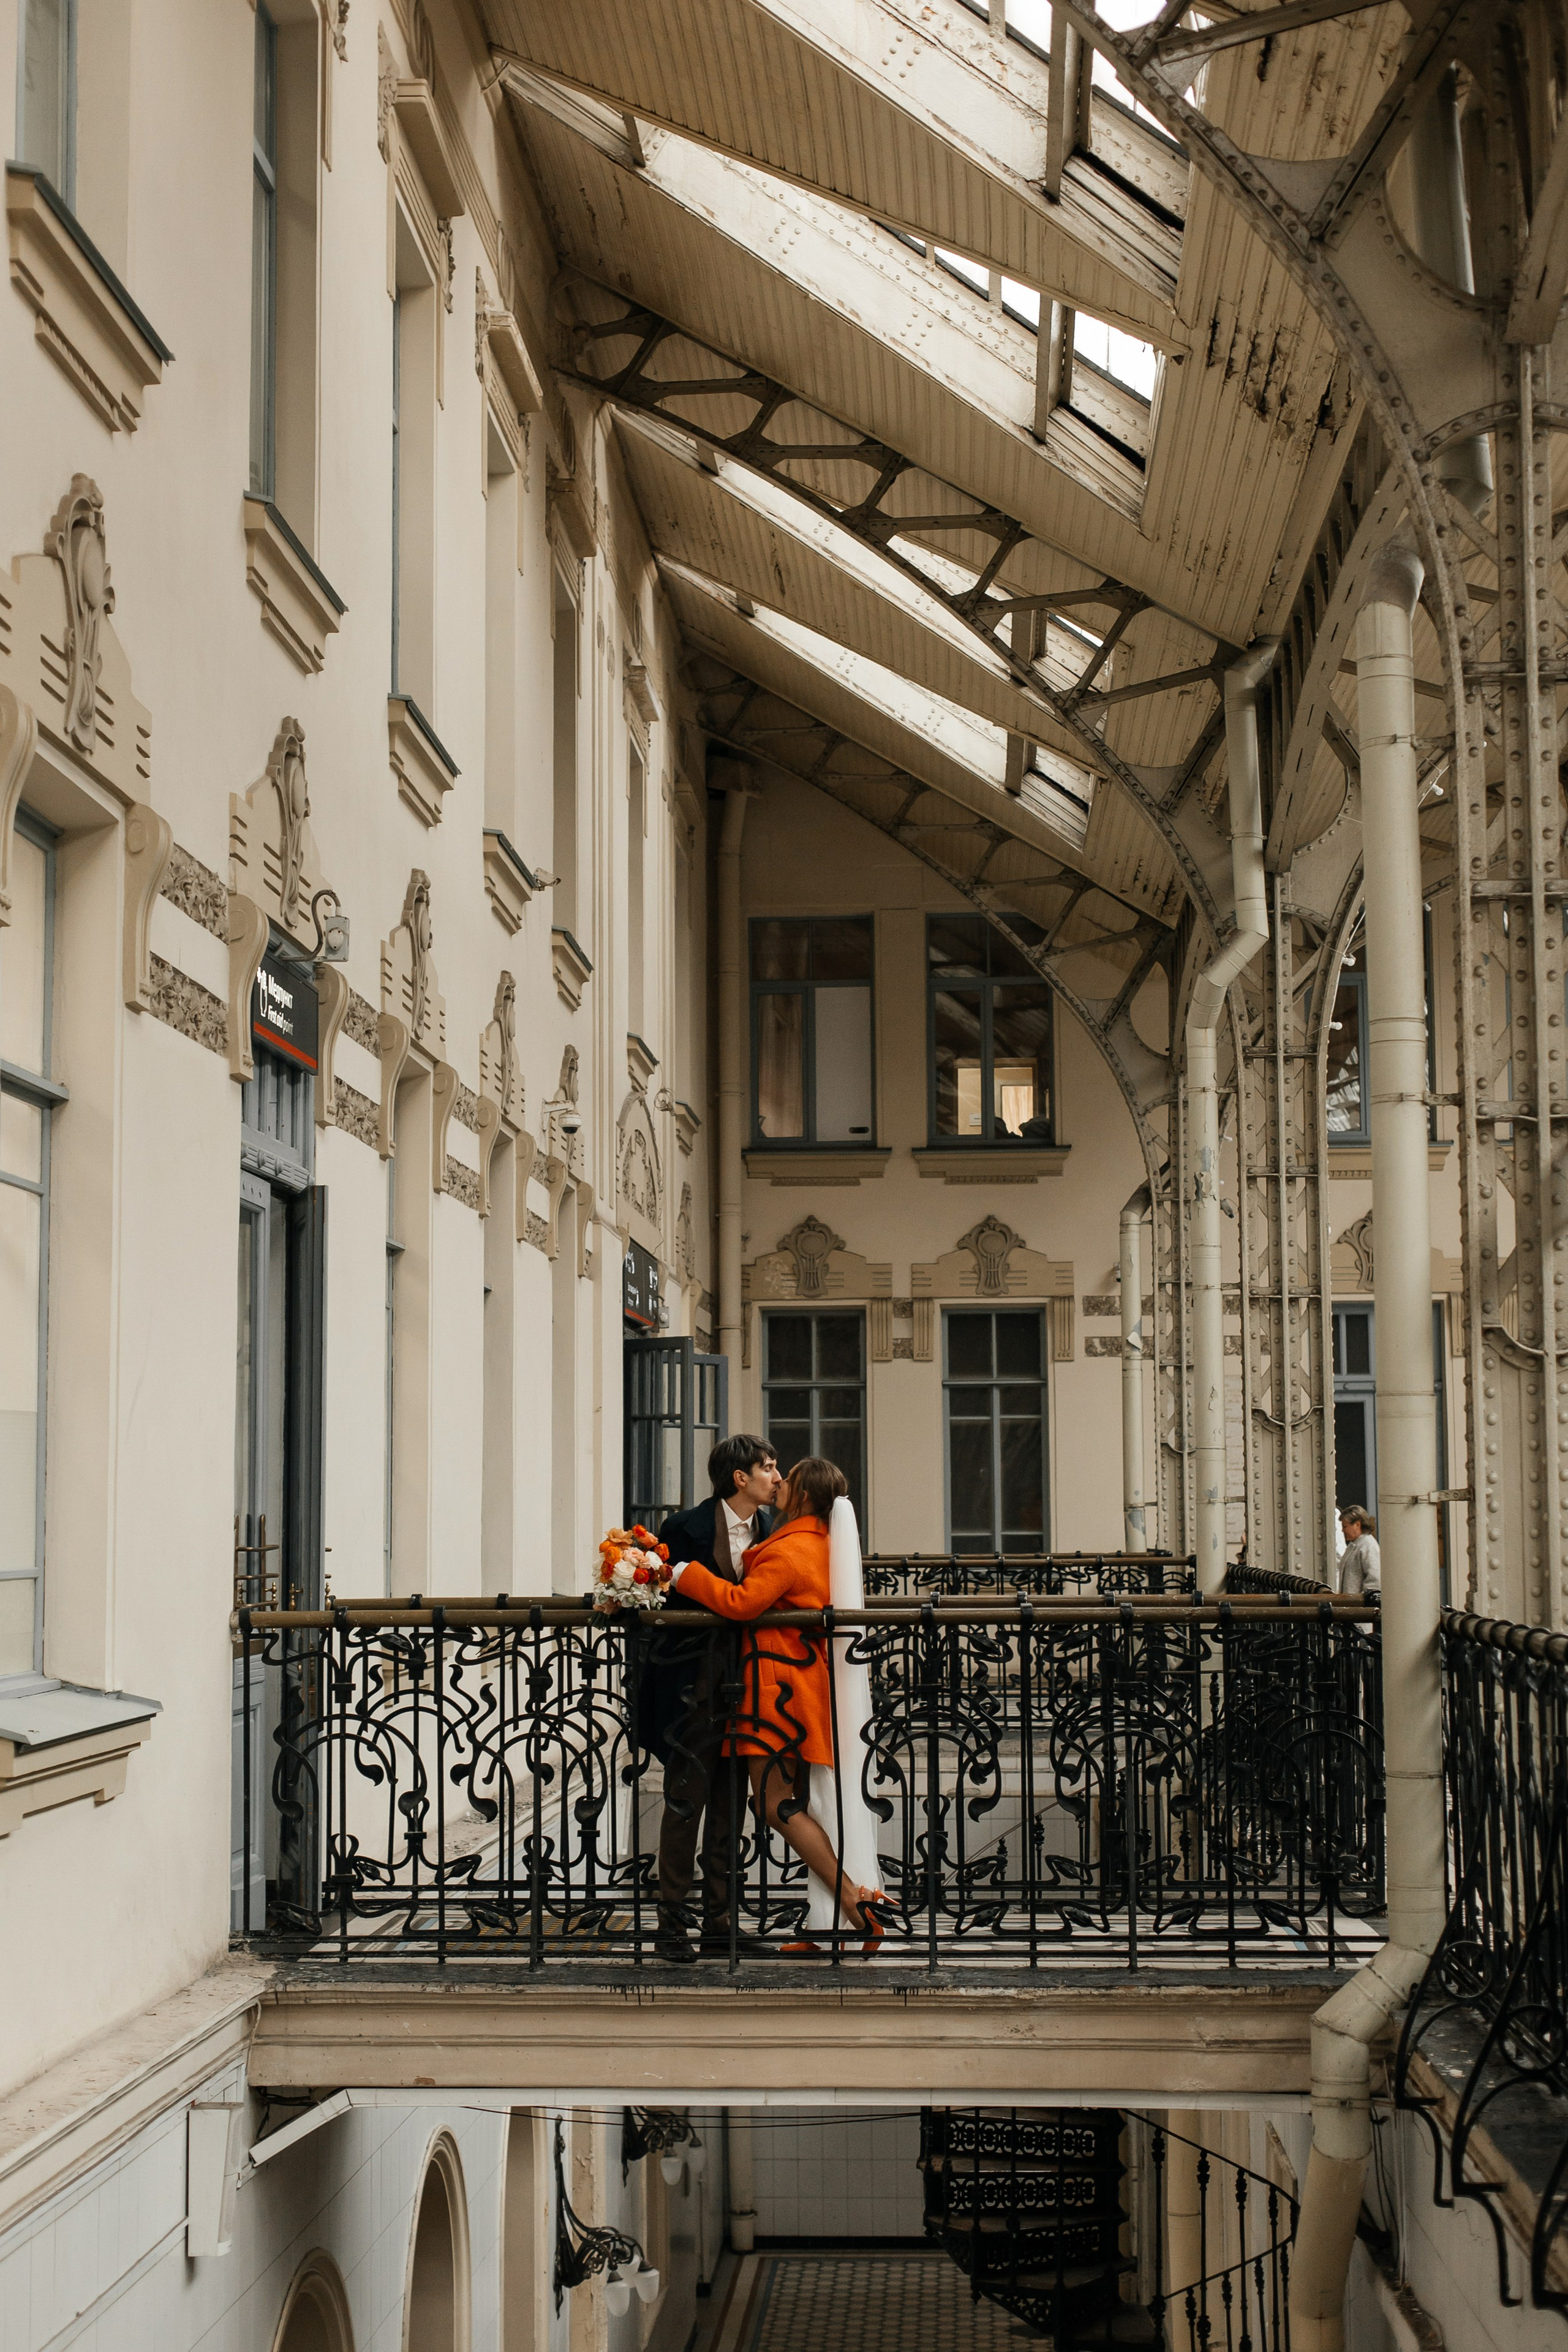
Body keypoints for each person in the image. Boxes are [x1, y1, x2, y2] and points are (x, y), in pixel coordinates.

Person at [669, 1457, 886, 1953]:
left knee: (776, 1805)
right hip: (798, 1687)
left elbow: (743, 1603)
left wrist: (685, 1575)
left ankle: (854, 1904)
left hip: (774, 1692)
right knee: (803, 1804)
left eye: (787, 1478)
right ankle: (835, 1914)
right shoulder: (817, 1543)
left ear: (805, 1497)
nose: (779, 1481)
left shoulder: (792, 1550)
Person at [641, 1434, 780, 1966]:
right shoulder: (684, 1528)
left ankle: (722, 1923)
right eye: (768, 1467)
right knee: (683, 1803)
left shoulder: (772, 1529)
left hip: (748, 1684)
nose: (777, 1475)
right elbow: (659, 1601)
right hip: (691, 1687)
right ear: (739, 1477)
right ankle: (672, 1924)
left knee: (730, 1805)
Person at [1338, 1505, 1381, 1597]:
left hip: (1359, 1607)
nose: (1343, 1530)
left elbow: (1375, 1580)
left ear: (1357, 1525)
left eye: (1345, 1526)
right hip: (1353, 1606)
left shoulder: (1368, 1546)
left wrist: (1362, 1601)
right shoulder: (1355, 1545)